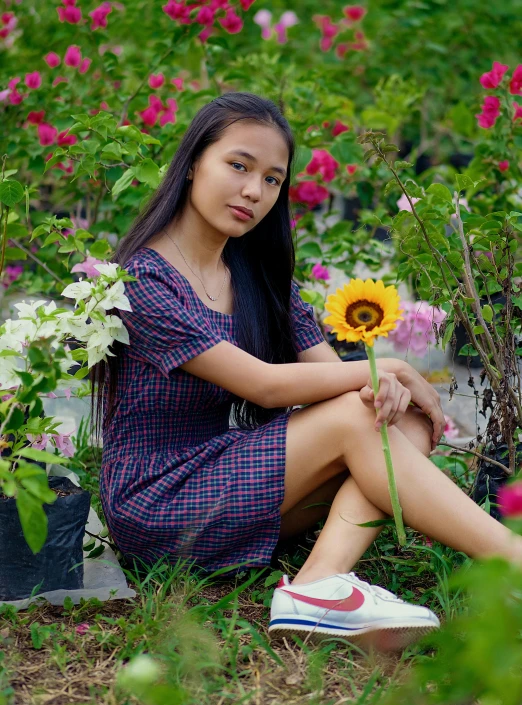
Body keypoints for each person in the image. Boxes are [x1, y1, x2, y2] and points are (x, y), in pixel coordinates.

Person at [92, 92, 522, 653]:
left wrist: (383, 384)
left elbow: (331, 378)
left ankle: (319, 584)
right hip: (159, 503)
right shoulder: (146, 281)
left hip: (225, 479)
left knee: (403, 418)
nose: (254, 191)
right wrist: (389, 364)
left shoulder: (255, 273)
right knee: (359, 415)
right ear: (195, 160)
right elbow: (264, 385)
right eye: (239, 166)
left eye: (272, 180)